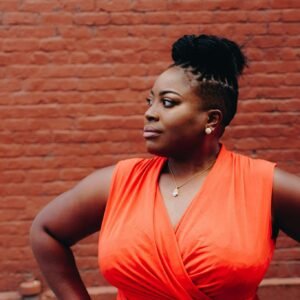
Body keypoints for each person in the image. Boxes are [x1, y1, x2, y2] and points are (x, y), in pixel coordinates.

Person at [30, 34, 300, 300]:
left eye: (167, 102)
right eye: (150, 101)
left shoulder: (264, 186)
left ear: (211, 119)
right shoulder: (118, 183)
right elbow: (46, 231)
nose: (150, 112)